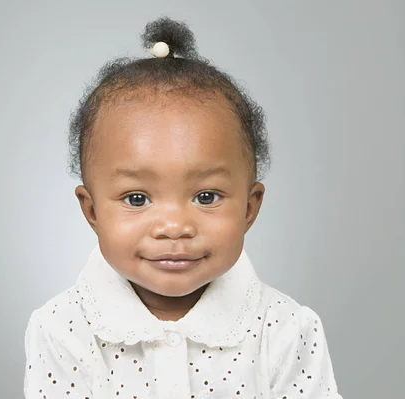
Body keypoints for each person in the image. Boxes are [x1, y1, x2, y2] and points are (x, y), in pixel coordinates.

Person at [24, 17, 342, 399]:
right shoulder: (61, 329)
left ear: (248, 208)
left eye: (205, 197)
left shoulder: (288, 331)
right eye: (137, 199)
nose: (174, 226)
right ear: (91, 212)